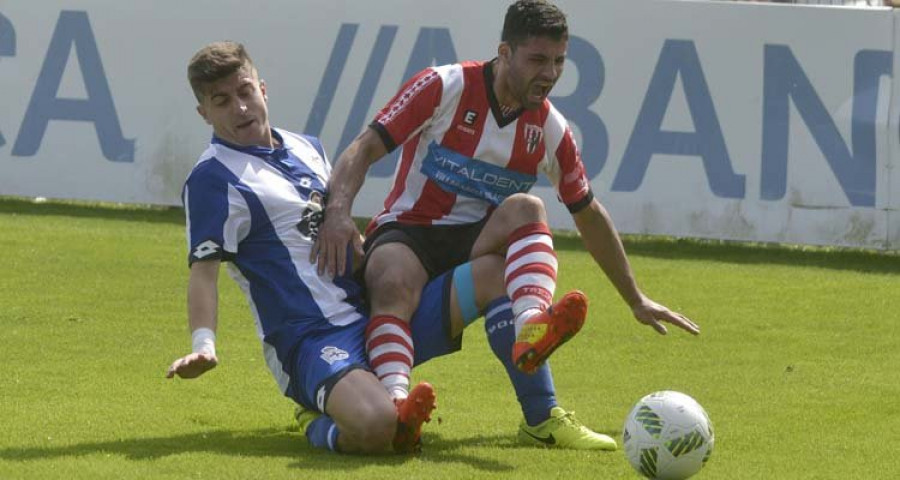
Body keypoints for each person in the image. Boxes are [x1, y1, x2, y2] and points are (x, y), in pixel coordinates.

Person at [167, 40, 609, 455]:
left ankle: (542, 417)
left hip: (373, 314)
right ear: (204, 112)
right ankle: (316, 419)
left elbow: (327, 231)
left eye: (244, 90)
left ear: (262, 88)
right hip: (312, 339)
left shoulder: (306, 147)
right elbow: (203, 271)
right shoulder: (214, 179)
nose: (240, 107)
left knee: (497, 273)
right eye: (221, 101)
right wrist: (204, 343)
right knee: (379, 428)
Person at [314, 0, 700, 449]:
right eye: (537, 59)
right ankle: (398, 405)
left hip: (475, 245)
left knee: (526, 210)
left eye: (558, 61)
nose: (550, 73)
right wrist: (338, 212)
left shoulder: (551, 130)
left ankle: (535, 344)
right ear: (505, 52)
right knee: (392, 277)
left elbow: (589, 214)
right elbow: (364, 147)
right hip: (410, 231)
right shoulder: (445, 86)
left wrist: (635, 298)